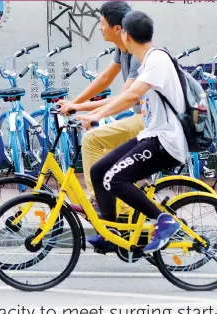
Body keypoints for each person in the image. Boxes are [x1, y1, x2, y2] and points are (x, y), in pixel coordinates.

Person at [76, 10, 188, 254]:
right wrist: (88, 110)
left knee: (115, 179)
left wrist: (95, 114)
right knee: (99, 170)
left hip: (165, 142)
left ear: (125, 35)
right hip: (151, 136)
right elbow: (126, 94)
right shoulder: (148, 58)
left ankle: (164, 220)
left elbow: (131, 96)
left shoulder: (157, 59)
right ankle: (111, 232)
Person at [56, 1, 143, 213]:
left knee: (92, 140)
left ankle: (99, 202)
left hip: (152, 121)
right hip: (144, 118)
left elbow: (126, 97)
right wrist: (75, 103)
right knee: (107, 152)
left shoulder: (137, 54)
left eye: (102, 23)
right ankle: (124, 206)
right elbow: (105, 78)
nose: (100, 27)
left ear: (117, 29)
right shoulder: (122, 50)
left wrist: (84, 110)